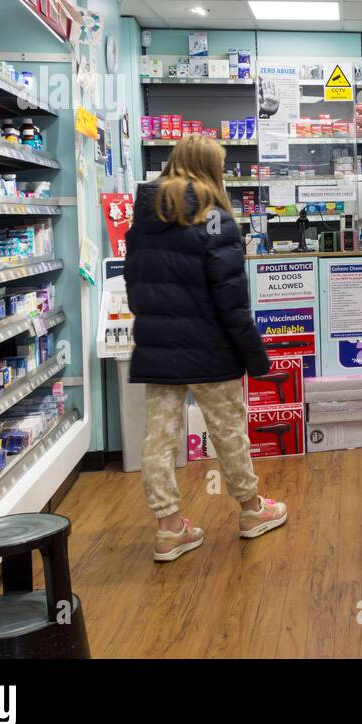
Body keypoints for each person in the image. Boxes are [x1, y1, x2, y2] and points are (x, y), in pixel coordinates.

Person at [124, 135, 288, 563]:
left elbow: (135, 289)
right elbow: (231, 301)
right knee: (229, 432)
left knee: (159, 438)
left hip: (158, 348)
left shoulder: (142, 220)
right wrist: (254, 355)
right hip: (212, 349)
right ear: (208, 169)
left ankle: (169, 529)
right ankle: (252, 511)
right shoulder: (215, 221)